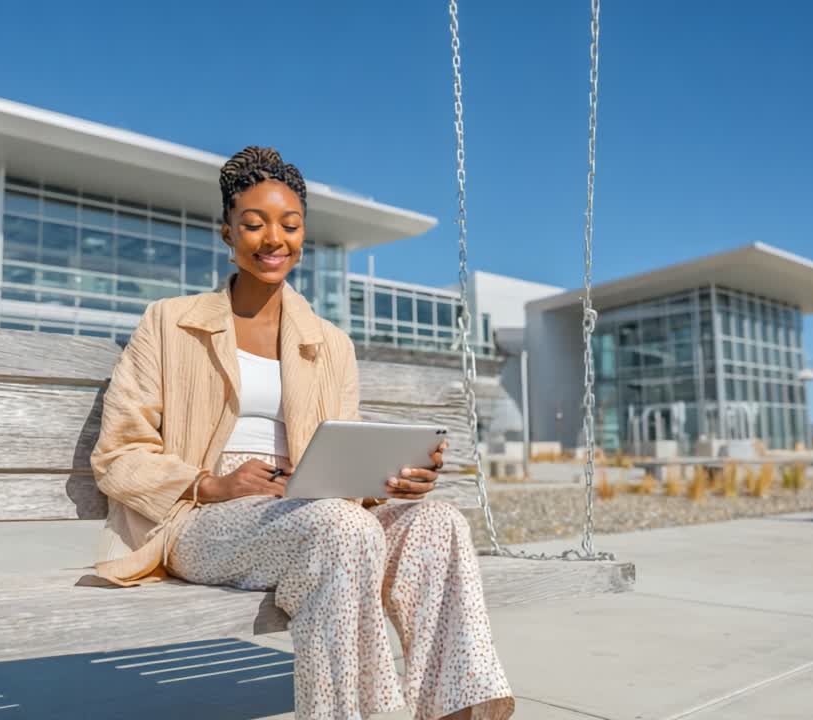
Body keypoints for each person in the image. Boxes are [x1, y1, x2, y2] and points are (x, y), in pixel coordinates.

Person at [91, 146, 513, 720]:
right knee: (339, 526)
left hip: (312, 505)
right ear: (226, 232)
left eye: (289, 225)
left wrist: (390, 480)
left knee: (437, 523)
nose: (274, 239)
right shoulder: (170, 323)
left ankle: (458, 709)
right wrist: (213, 485)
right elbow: (118, 454)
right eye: (254, 223)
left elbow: (343, 461)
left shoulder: (329, 341)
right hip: (198, 518)